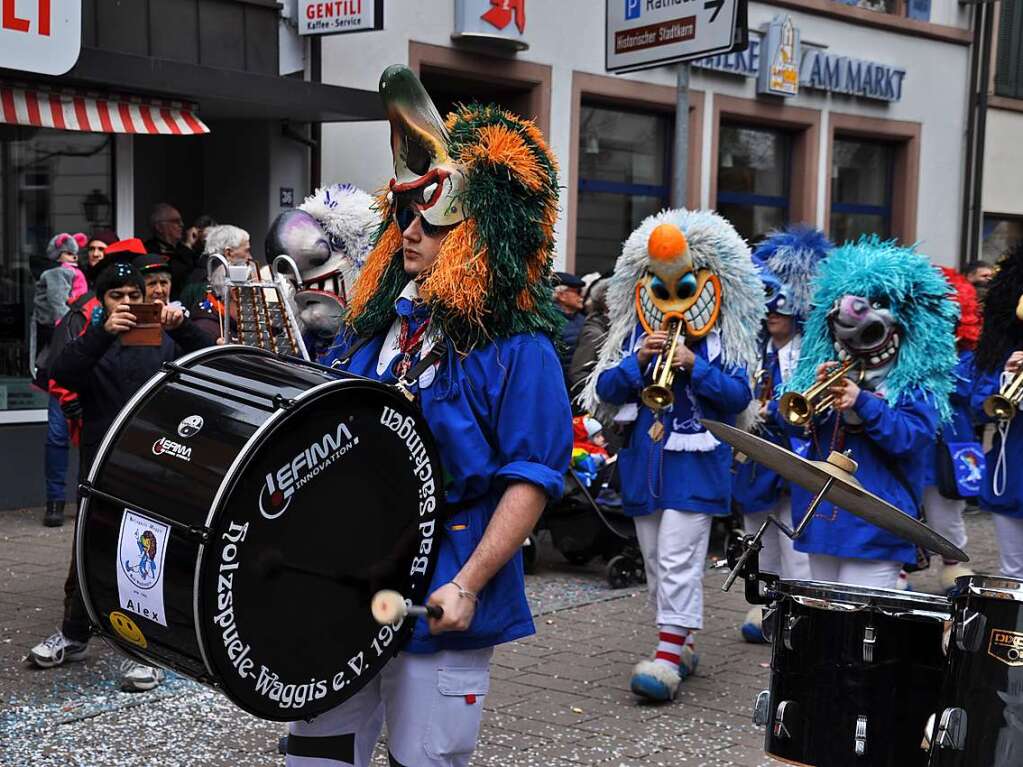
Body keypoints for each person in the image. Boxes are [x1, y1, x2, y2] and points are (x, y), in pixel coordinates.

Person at [291, 66, 571, 767]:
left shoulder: (519, 348)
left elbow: (530, 477)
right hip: (343, 589)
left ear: (477, 230)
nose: (409, 232)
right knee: (316, 753)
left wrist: (468, 582)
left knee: (425, 760)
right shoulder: (372, 327)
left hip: (442, 582)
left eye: (429, 218)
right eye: (402, 217)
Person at [583, 210, 762, 702]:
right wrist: (639, 363)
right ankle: (678, 643)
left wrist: (693, 366)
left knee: (680, 558)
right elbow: (604, 388)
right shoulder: (637, 341)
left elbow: (739, 398)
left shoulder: (722, 344)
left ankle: (666, 657)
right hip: (647, 467)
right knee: (657, 562)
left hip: (696, 470)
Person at [26, 261, 213, 690]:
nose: (128, 304)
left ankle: (145, 650)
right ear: (102, 299)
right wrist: (103, 330)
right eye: (117, 296)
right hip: (100, 463)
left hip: (155, 463)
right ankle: (74, 636)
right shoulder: (92, 335)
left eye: (135, 295)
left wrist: (181, 326)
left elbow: (209, 359)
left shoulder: (165, 335)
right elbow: (60, 373)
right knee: (86, 551)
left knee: (143, 557)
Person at [779, 237, 958, 589]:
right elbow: (801, 437)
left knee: (861, 626)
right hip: (823, 521)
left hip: (878, 525)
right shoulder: (833, 373)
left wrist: (863, 403)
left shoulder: (915, 387)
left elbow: (910, 440)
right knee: (822, 625)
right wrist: (814, 410)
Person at [732, 227, 831, 642]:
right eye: (769, 311)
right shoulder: (752, 348)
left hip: (797, 454)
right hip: (758, 455)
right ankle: (765, 608)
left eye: (781, 311)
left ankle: (799, 612)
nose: (773, 317)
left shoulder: (812, 351)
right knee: (759, 534)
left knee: (797, 536)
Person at [920, 267, 982, 593]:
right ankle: (902, 570)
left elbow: (969, 392)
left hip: (951, 443)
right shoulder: (913, 352)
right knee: (905, 509)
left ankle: (953, 567)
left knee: (946, 513)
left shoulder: (968, 356)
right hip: (915, 443)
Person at [971, 243, 1023, 578]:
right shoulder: (1003, 353)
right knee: (1013, 575)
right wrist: (1006, 376)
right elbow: (979, 406)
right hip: (1013, 477)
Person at [34, 234, 88, 527]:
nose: (77, 258)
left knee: (89, 437)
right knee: (57, 436)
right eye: (72, 253)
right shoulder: (57, 276)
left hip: (87, 370)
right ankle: (54, 501)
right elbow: (55, 314)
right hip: (60, 368)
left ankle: (85, 500)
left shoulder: (92, 284)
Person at [144, 202, 196, 300]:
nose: (182, 225)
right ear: (159, 227)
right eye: (175, 221)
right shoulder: (147, 251)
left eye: (181, 221)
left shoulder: (186, 251)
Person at [554, 271, 586, 388]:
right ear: (562, 295)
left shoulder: (583, 319)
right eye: (577, 292)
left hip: (578, 387)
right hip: (559, 386)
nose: (581, 297)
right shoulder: (550, 321)